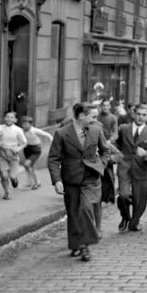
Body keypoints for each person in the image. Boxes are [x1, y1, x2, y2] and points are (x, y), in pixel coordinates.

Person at [47, 102, 112, 261]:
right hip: (71, 179)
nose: (96, 120)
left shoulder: (96, 130)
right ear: (81, 116)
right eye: (93, 117)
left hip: (91, 178)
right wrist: (56, 180)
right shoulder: (62, 134)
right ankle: (75, 244)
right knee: (74, 213)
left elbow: (105, 150)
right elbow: (53, 159)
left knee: (86, 209)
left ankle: (85, 245)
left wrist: (101, 164)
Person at [115, 104, 147, 232]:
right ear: (133, 114)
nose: (140, 117)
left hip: (141, 168)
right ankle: (125, 217)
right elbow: (118, 145)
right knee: (123, 195)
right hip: (125, 167)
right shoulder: (123, 129)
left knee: (139, 199)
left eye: (144, 115)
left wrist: (146, 153)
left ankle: (135, 221)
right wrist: (116, 155)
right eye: (138, 114)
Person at [0, 111, 27, 199]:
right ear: (4, 118)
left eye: (12, 117)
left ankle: (14, 179)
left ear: (16, 120)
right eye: (7, 117)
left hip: (13, 154)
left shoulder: (18, 130)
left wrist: (17, 148)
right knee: (4, 175)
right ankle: (7, 192)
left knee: (12, 176)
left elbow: (24, 143)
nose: (9, 119)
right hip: (1, 153)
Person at [20, 116, 52, 190]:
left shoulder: (35, 130)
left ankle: (36, 182)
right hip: (27, 148)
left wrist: (52, 140)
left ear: (30, 124)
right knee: (28, 166)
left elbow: (46, 135)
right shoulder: (21, 131)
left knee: (27, 164)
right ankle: (31, 181)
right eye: (23, 124)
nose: (24, 126)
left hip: (35, 149)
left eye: (26, 124)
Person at [97, 100, 119, 204]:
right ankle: (100, 193)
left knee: (109, 169)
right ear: (101, 106)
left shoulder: (113, 118)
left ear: (109, 107)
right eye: (103, 106)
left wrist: (110, 140)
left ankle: (110, 195)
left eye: (107, 106)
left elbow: (115, 133)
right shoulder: (97, 117)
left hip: (108, 145)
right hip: (97, 144)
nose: (105, 107)